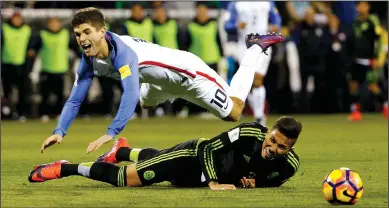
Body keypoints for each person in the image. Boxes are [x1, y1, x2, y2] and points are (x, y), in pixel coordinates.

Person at [40, 7, 285, 154]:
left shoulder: (123, 54)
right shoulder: (89, 59)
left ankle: (254, 47)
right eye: (77, 34)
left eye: (86, 32)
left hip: (189, 75)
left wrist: (109, 133)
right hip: (157, 82)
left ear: (102, 32)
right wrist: (60, 131)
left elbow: (129, 94)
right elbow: (75, 100)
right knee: (147, 102)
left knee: (234, 112)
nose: (81, 39)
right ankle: (162, 88)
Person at [29, 116, 302, 190]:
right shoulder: (247, 133)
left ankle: (122, 150)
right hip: (193, 157)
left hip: (195, 181)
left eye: (282, 147)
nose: (274, 149)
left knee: (155, 160)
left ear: (290, 148)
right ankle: (65, 168)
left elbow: (272, 179)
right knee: (127, 180)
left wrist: (255, 182)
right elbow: (208, 146)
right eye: (273, 141)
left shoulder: (289, 165)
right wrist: (214, 182)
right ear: (269, 131)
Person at [225, 1, 282, 125]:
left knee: (257, 79)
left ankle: (259, 117)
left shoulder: (267, 3)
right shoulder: (236, 4)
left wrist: (275, 26)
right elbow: (227, 24)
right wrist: (236, 25)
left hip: (263, 45)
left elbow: (277, 19)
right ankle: (257, 114)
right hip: (244, 47)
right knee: (249, 82)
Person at [348, 1, 385, 121]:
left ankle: (386, 106)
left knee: (373, 86)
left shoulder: (373, 20)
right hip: (356, 59)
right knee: (353, 85)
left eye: (364, 5)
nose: (361, 7)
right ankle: (355, 112)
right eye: (359, 5)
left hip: (370, 60)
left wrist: (377, 57)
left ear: (368, 7)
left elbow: (380, 39)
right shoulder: (355, 22)